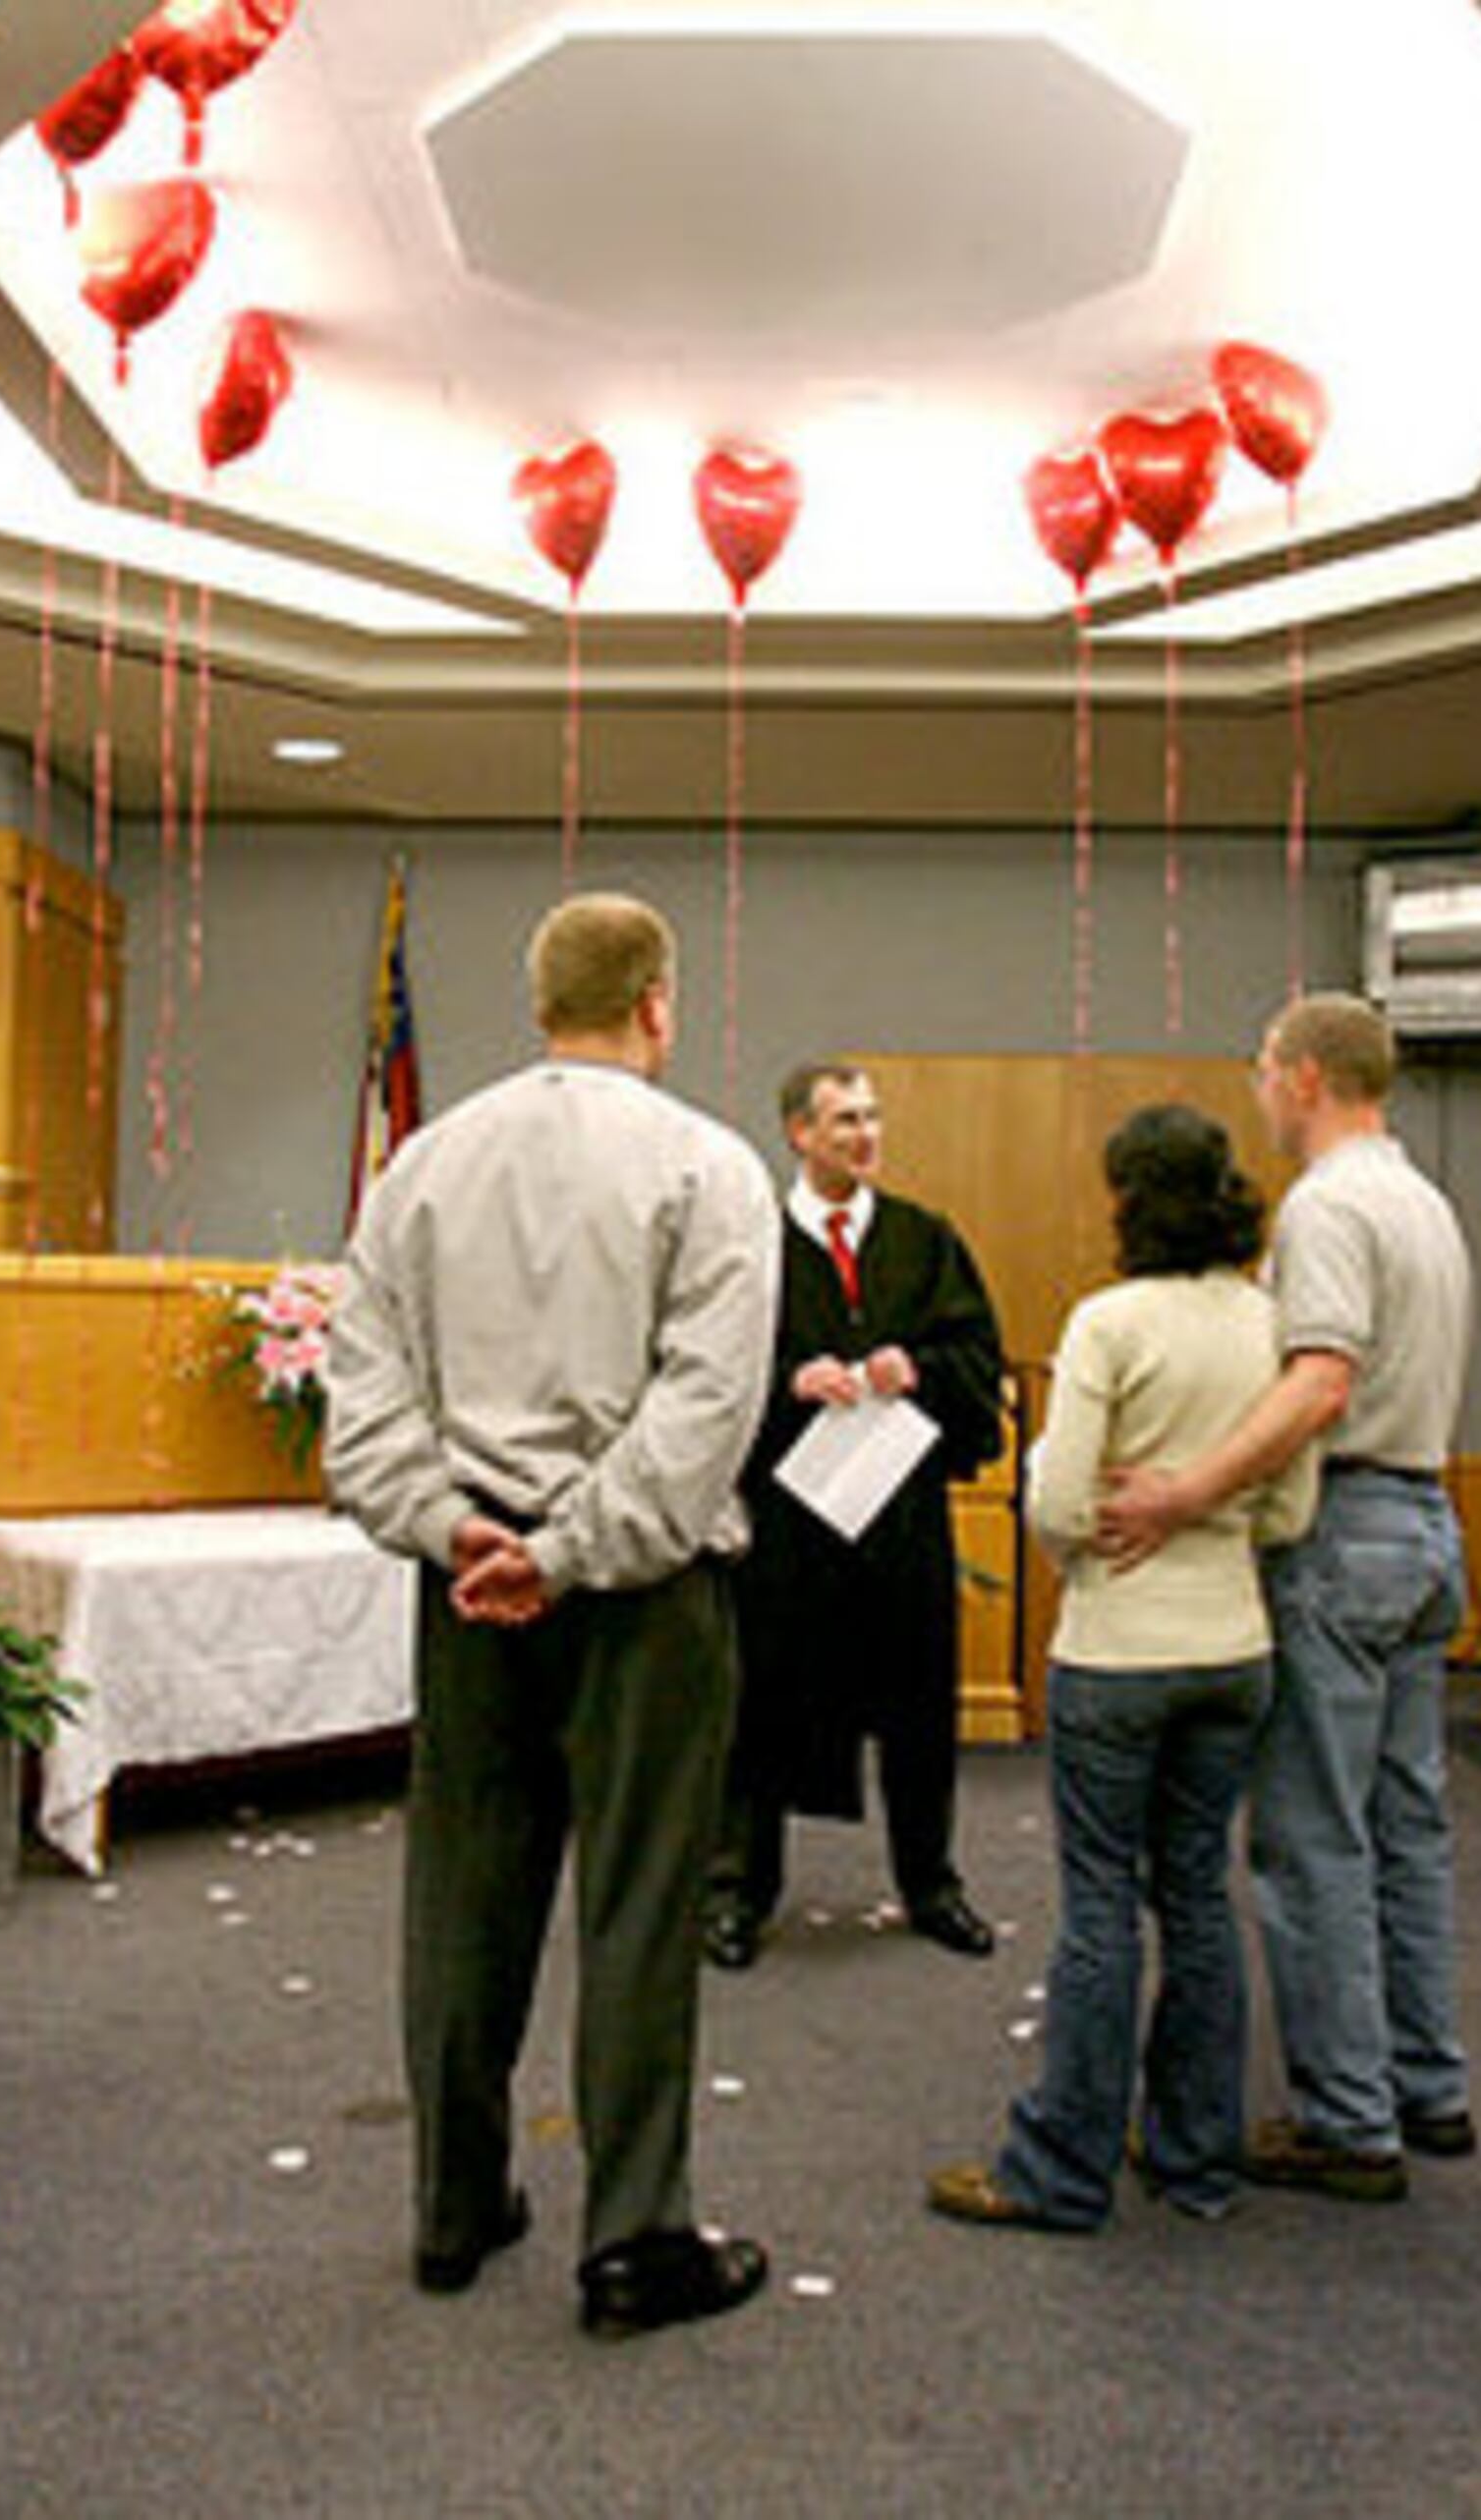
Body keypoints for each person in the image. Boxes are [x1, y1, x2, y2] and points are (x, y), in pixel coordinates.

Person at [324, 891, 780, 2338]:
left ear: (537, 1003)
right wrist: (576, 1547)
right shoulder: (711, 1167)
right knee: (641, 1904)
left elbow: (365, 1391)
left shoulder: (422, 1166)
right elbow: (705, 1412)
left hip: (466, 1588)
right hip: (644, 1598)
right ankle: (635, 2239)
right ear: (659, 1001)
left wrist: (460, 1526)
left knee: (463, 1894)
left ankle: (454, 2208)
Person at [1096, 992, 1477, 2205]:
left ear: (1306, 1078)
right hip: (1429, 1525)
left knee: (1312, 1836)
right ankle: (1428, 2086)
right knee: (1408, 1828)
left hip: (1348, 1529)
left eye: (1264, 1068)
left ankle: (1348, 2121)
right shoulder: (1424, 1201)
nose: (1258, 1088)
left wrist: (1184, 1490)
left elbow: (1319, 1385)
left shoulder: (1326, 1206)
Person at [926, 1104, 1315, 2232]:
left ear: (1129, 1200)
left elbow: (1051, 1499)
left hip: (1118, 1653)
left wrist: (1090, 1554)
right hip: (1235, 1647)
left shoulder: (1108, 1323)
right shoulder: (1270, 1323)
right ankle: (1195, 2163)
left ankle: (1060, 2173)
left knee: (1100, 1909)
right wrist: (1210, 1520)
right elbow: (1290, 1504)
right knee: (1196, 1896)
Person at [710, 1061, 1006, 1969]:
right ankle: (735, 1891)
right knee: (759, 1708)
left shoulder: (925, 1240)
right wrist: (789, 1384)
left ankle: (932, 1881)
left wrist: (916, 1368)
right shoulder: (749, 1245)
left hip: (901, 1519)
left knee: (919, 1705)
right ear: (798, 1133)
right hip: (787, 1528)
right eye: (844, 1120)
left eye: (872, 1117)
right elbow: (706, 1381)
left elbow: (977, 1359)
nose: (866, 1135)